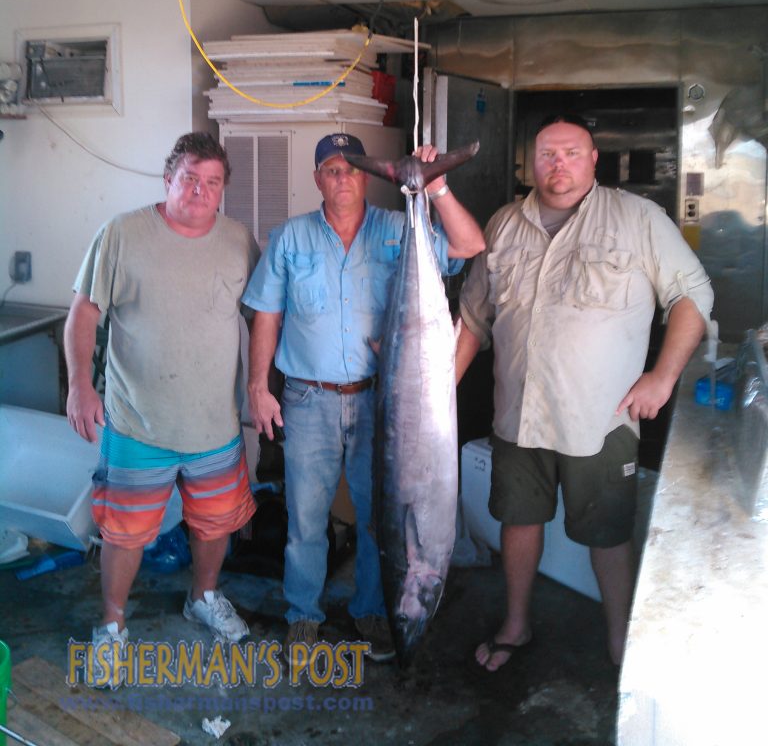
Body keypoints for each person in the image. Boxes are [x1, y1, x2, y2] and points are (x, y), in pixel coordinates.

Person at [455, 114, 713, 670]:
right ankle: (517, 625)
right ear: (533, 161)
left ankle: (622, 642)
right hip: (517, 416)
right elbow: (473, 319)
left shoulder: (637, 218)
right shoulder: (503, 224)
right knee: (517, 521)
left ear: (594, 159)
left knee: (607, 534)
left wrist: (661, 377)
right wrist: (437, 396)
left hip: (600, 419)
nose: (559, 164)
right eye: (548, 154)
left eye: (572, 153)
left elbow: (693, 295)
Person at [243, 132, 485, 661]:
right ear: (317, 180)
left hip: (385, 403)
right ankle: (302, 613)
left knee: (384, 516)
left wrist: (436, 188)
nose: (343, 179)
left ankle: (373, 609)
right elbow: (267, 314)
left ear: (368, 177)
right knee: (305, 516)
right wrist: (258, 387)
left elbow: (468, 247)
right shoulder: (289, 239)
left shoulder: (400, 227)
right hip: (308, 400)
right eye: (332, 169)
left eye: (352, 169)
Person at [64, 132, 260, 686]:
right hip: (137, 423)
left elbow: (258, 316)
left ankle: (203, 596)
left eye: (212, 182)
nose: (200, 191)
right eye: (189, 178)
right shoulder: (122, 234)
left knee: (214, 524)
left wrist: (261, 386)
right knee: (124, 534)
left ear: (223, 191)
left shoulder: (239, 241)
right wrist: (81, 384)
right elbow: (84, 313)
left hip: (215, 425)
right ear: (168, 179)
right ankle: (112, 625)